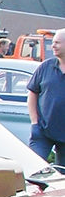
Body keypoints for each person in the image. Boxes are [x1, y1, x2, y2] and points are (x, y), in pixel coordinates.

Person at [27, 29, 65, 162]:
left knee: (62, 176)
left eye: (57, 43)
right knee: (33, 167)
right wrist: (34, 122)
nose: (53, 46)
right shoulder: (45, 67)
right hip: (43, 131)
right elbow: (32, 93)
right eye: (53, 42)